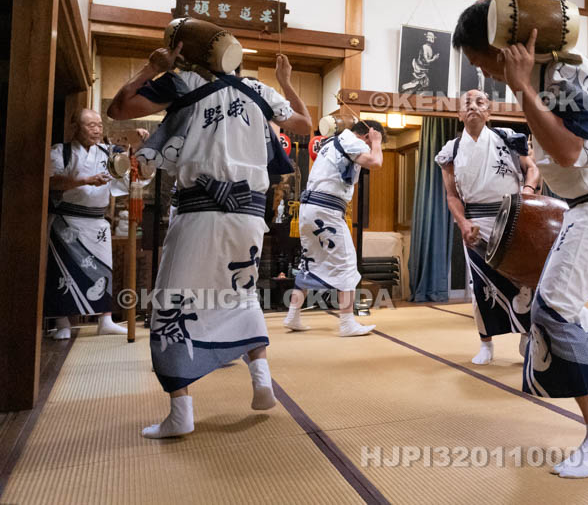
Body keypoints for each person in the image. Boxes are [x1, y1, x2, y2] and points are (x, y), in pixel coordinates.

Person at [455, 0, 588, 479]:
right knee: (561, 303)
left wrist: (520, 88)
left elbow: (569, 152)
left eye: (478, 60)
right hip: (585, 204)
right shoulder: (544, 77)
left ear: (499, 48)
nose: (480, 72)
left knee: (551, 308)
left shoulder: (569, 75)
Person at [108, 42, 312, 439]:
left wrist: (150, 68)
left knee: (171, 301)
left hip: (200, 209)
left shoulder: (181, 81)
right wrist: (286, 83)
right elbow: (304, 123)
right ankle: (261, 378)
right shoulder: (260, 90)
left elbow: (119, 108)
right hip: (250, 214)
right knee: (240, 292)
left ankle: (180, 412)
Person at [436, 90, 541, 364]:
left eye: (480, 102)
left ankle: (526, 335)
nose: (473, 107)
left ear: (489, 112)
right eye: (467, 104)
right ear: (459, 114)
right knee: (481, 283)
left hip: (514, 215)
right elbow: (451, 196)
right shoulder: (451, 150)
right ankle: (486, 343)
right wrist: (463, 222)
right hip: (476, 222)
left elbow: (533, 169)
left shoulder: (507, 138)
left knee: (522, 280)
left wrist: (528, 190)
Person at [45, 110, 145, 339]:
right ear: (76, 128)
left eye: (99, 125)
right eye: (90, 125)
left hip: (97, 222)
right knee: (64, 272)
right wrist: (86, 180)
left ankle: (105, 319)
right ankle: (63, 323)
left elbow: (127, 167)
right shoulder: (61, 152)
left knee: (102, 269)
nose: (97, 129)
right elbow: (51, 182)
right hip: (67, 222)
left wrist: (136, 140)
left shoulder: (108, 153)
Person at [284, 119, 385, 335]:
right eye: (371, 141)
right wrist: (376, 142)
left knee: (309, 262)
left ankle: (292, 316)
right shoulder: (352, 141)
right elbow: (376, 162)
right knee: (347, 263)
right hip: (325, 210)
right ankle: (347, 323)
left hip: (310, 208)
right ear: (366, 135)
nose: (371, 146)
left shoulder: (333, 142)